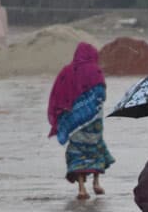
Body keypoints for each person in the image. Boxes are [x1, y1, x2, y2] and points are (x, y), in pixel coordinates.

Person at [47, 42, 115, 200]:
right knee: (95, 146)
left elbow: (58, 95)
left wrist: (72, 111)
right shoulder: (95, 70)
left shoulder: (67, 71)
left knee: (78, 149)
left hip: (74, 121)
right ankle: (96, 183)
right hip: (95, 120)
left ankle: (82, 188)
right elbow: (101, 95)